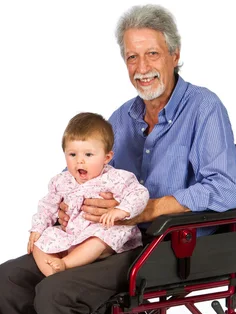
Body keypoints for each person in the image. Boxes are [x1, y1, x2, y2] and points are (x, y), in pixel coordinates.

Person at [0, 4, 236, 314]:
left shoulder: (204, 108)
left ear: (174, 54)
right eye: (131, 57)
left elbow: (227, 190)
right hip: (104, 238)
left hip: (168, 246)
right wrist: (68, 208)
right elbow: (83, 175)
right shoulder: (119, 118)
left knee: (58, 292)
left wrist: (154, 208)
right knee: (6, 280)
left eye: (151, 54)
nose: (142, 68)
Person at [28, 111, 149, 277]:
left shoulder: (114, 178)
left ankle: (65, 264)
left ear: (107, 157)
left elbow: (139, 193)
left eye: (88, 155)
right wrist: (38, 228)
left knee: (100, 237)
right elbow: (47, 206)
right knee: (39, 242)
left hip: (102, 237)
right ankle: (52, 275)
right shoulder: (61, 181)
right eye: (72, 154)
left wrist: (121, 210)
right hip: (71, 235)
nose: (80, 161)